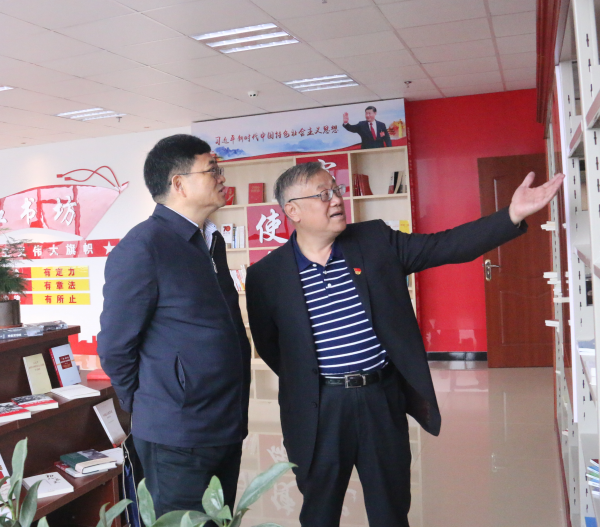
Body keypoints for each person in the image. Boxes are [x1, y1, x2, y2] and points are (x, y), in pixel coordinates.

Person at [245, 162, 564, 527]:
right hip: (319, 408)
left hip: (380, 399)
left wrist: (511, 215)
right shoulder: (266, 276)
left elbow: (445, 246)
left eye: (336, 189)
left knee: (391, 510)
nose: (336, 200)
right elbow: (273, 347)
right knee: (319, 512)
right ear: (293, 211)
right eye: (323, 194)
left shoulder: (374, 241)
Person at [98, 134, 251, 517]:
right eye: (212, 170)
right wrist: (150, 403)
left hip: (223, 423)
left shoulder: (210, 241)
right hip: (176, 436)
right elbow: (115, 347)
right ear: (179, 183)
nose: (221, 177)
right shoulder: (144, 247)